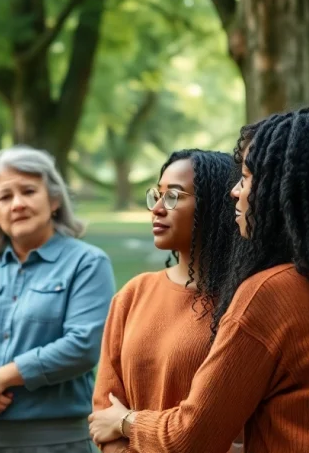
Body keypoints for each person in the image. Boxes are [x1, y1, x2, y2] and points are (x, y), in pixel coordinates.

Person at [93, 108, 309, 452]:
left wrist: (127, 422)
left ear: (286, 191)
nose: (235, 191)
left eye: (246, 178)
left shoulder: (270, 294)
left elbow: (192, 437)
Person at [0, 145, 117, 453]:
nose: (17, 204)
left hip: (53, 443)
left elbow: (83, 345)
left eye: (28, 191)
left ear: (54, 199)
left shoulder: (87, 264)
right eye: (5, 196)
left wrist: (0, 379)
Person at [88, 150, 240, 453]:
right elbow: (105, 412)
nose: (157, 208)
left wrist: (127, 424)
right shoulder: (133, 295)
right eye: (156, 195)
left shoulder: (244, 301)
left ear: (215, 204)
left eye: (173, 196)